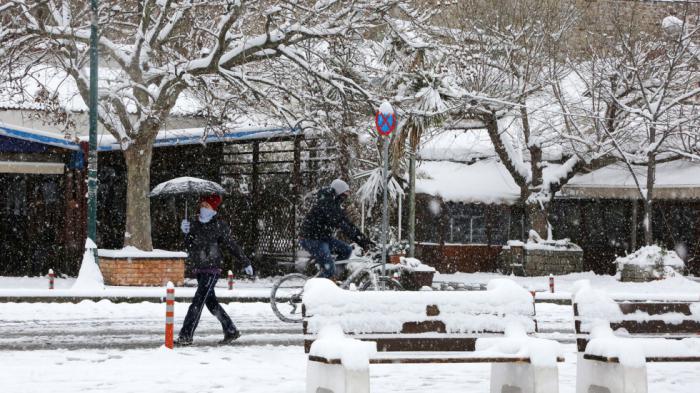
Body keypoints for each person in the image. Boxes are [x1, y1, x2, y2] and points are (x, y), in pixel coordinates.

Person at [174, 193, 254, 346]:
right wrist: (185, 233)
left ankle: (186, 336)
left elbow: (231, 245)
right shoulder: (194, 224)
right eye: (202, 205)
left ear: (213, 209)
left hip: (212, 269)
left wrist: (245, 262)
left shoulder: (219, 225)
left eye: (207, 206)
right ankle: (231, 330)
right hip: (199, 269)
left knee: (197, 301)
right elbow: (189, 246)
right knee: (211, 303)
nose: (203, 208)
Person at [299, 179, 374, 279]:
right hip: (311, 239)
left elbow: (348, 224)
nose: (344, 198)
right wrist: (361, 241)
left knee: (346, 250)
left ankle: (334, 278)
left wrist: (364, 240)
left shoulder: (334, 204)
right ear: (337, 193)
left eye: (346, 196)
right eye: (343, 195)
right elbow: (343, 226)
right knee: (329, 269)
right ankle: (317, 288)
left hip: (323, 238)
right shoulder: (326, 204)